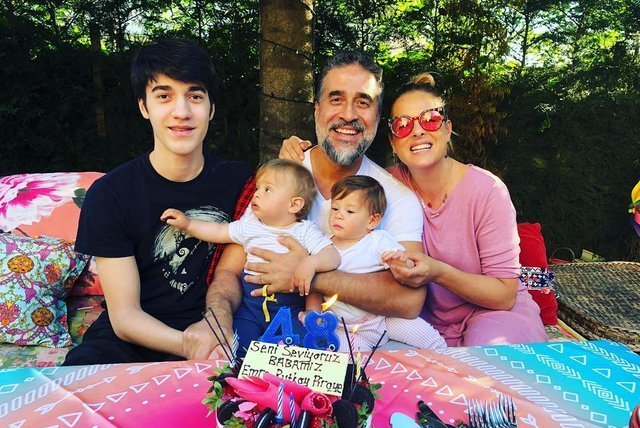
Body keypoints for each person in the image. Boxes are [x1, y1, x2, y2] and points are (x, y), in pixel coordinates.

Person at [187, 51, 427, 359]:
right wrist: (218, 318)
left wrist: (307, 275)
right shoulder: (282, 178)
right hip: (269, 332)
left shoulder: (396, 198)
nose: (348, 114)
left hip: (355, 342)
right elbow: (229, 272)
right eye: (336, 99)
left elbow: (409, 301)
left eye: (363, 102)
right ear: (317, 108)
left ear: (378, 116)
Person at [63, 39, 252, 365]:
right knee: (76, 380)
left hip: (221, 331)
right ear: (144, 106)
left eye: (195, 96)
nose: (182, 112)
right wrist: (191, 346)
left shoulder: (243, 183)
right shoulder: (110, 194)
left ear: (211, 108)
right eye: (164, 96)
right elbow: (125, 316)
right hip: (133, 340)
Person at [381, 73, 548, 346]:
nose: (417, 131)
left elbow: (504, 294)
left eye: (430, 119)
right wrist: (304, 156)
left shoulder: (487, 190)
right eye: (403, 124)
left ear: (447, 129)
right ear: (393, 142)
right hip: (420, 324)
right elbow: (335, 185)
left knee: (483, 366)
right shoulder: (384, 184)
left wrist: (437, 272)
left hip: (494, 313)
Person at [160, 158, 340, 353]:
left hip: (289, 309)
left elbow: (332, 256)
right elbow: (219, 231)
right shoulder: (250, 225)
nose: (257, 194)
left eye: (267, 189)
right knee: (235, 346)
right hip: (250, 308)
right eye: (257, 188)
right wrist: (188, 224)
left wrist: (311, 263)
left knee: (302, 348)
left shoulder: (304, 231)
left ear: (294, 204)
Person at [324, 175, 447, 351]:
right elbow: (314, 285)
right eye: (335, 208)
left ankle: (447, 356)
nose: (338, 215)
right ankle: (367, 368)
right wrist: (312, 313)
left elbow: (407, 266)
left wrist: (400, 263)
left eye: (349, 211)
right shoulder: (324, 245)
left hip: (383, 319)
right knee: (347, 353)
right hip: (343, 327)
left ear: (372, 221)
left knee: (424, 335)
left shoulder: (377, 240)